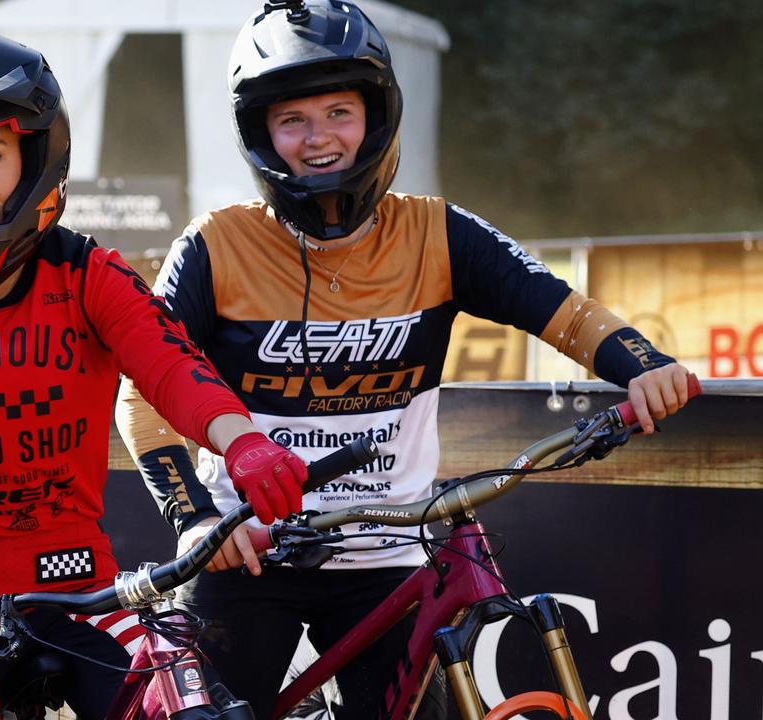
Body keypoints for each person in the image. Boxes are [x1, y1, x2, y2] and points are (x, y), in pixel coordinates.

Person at [114, 1, 694, 718]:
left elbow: (563, 311)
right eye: (292, 119)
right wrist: (195, 520)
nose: (318, 138)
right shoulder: (214, 244)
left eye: (339, 112)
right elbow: (143, 392)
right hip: (248, 553)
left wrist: (644, 364)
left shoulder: (437, 233)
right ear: (260, 132)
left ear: (377, 116)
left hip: (390, 561)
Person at [0, 33, 307, 719]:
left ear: (36, 155)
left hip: (80, 591)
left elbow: (171, 368)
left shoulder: (90, 273)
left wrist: (243, 441)